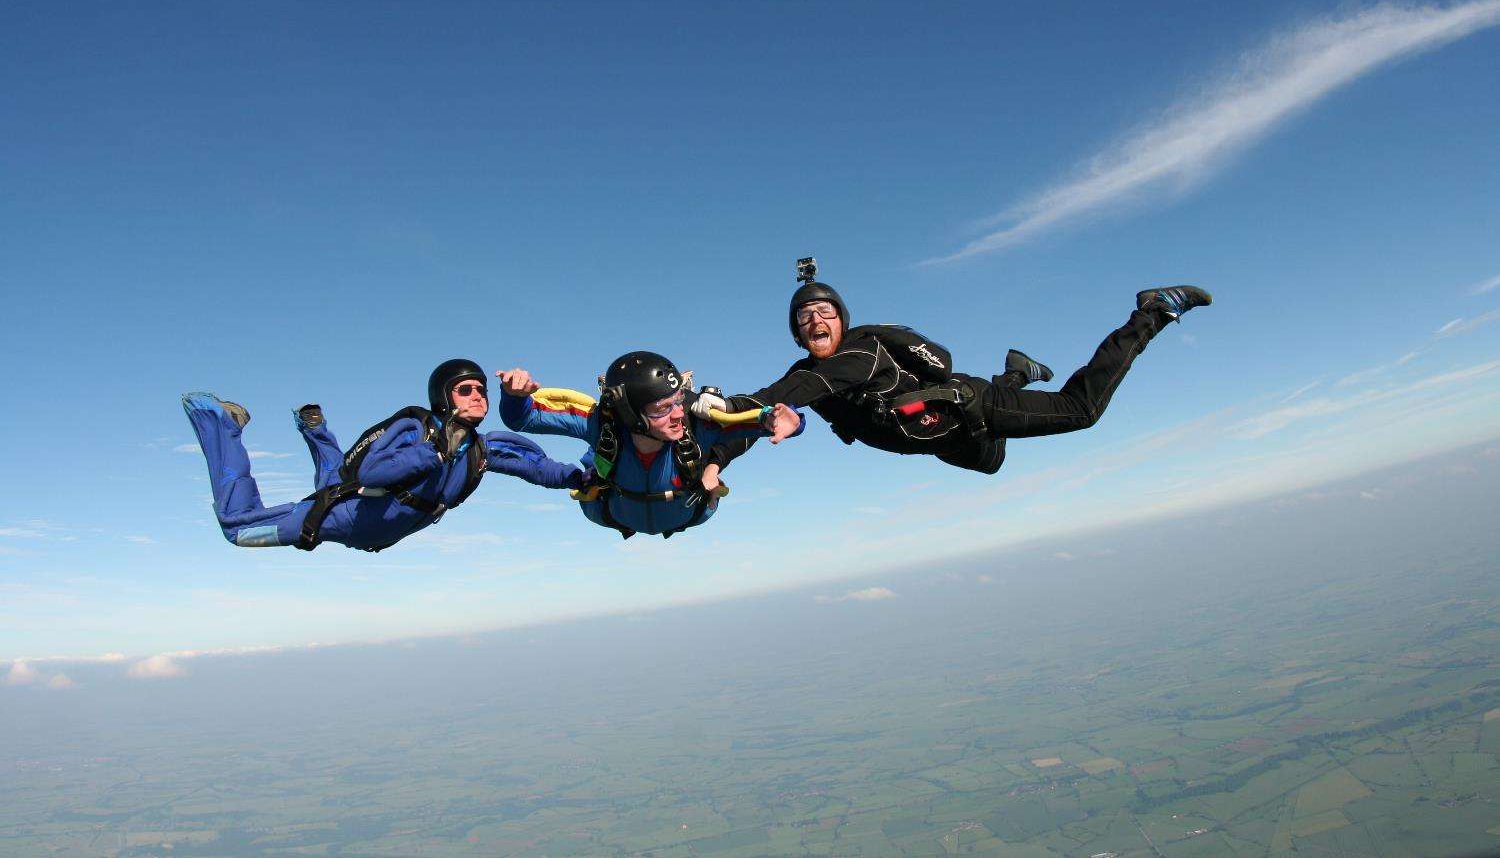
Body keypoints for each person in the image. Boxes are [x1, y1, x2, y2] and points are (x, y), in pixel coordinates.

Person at [696, 260, 1211, 475]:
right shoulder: (809, 375)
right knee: (993, 464)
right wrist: (719, 453)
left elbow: (790, 390)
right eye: (805, 318)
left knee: (1082, 409)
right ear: (797, 333)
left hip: (975, 406)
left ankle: (1153, 311)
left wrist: (731, 405)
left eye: (825, 312)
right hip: (946, 437)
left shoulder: (858, 353)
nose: (815, 321)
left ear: (842, 321)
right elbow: (770, 415)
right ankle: (1017, 370)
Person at [181, 358, 587, 552]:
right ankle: (218, 419)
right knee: (239, 530)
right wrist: (434, 452)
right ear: (444, 398)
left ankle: (314, 428)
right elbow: (374, 472)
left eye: (481, 389)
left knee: (332, 476)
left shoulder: (481, 449)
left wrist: (579, 479)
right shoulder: (415, 429)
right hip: (344, 518)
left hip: (374, 526)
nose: (478, 395)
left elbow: (536, 468)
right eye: (466, 390)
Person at [497, 351, 803, 539]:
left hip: (691, 513)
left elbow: (758, 419)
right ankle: (597, 466)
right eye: (662, 408)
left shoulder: (696, 427)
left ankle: (704, 463)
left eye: (679, 401)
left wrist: (786, 420)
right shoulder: (603, 425)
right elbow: (524, 419)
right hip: (612, 513)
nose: (679, 415)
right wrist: (514, 396)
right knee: (596, 462)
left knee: (704, 441)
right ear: (630, 414)